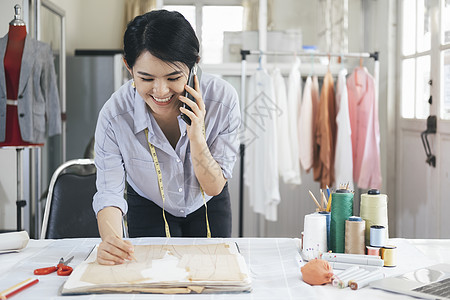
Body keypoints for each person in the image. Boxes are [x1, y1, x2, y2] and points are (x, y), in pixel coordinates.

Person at [93, 10, 241, 265]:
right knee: (152, 281)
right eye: (146, 78)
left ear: (194, 64)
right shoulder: (114, 115)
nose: (160, 91)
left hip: (206, 202)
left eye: (173, 78)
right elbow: (109, 192)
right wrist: (111, 241)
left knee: (212, 278)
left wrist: (197, 136)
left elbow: (214, 187)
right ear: (129, 66)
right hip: (148, 204)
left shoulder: (223, 101)